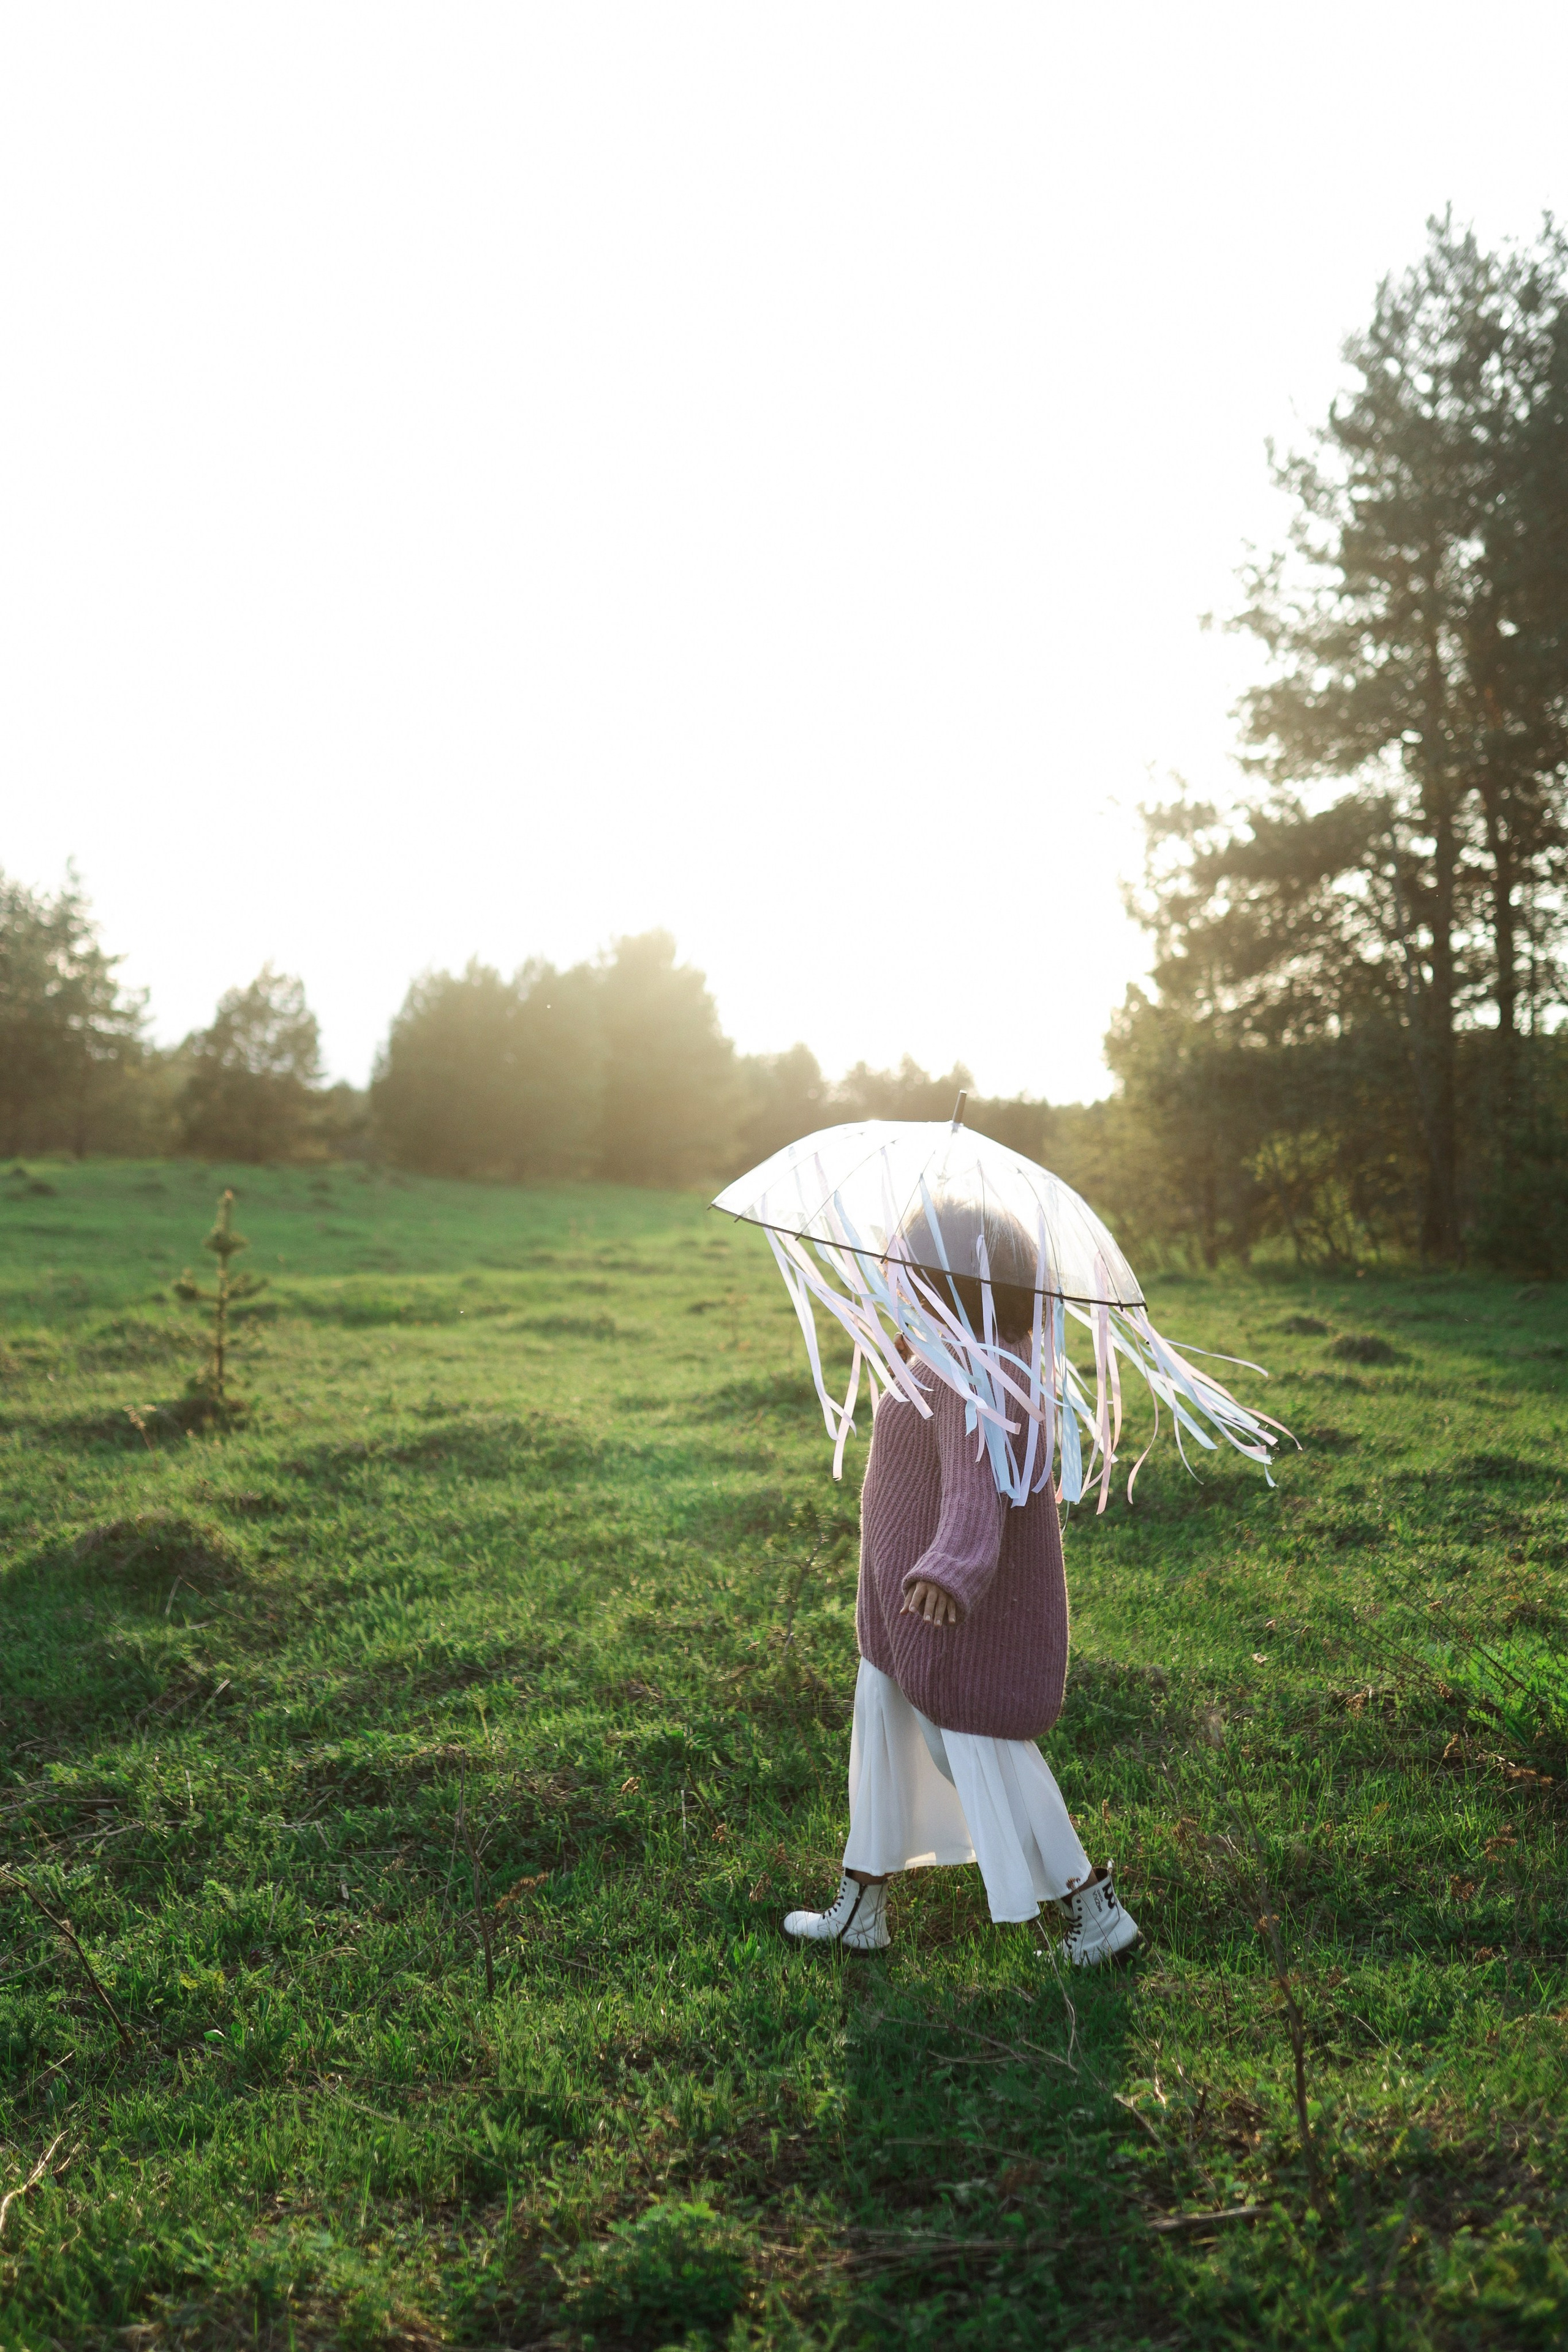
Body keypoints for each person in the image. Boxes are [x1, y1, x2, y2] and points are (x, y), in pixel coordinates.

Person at [782, 1208, 1138, 1966]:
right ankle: (861, 1910)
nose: (893, 1280)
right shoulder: (957, 1356)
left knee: (978, 1753)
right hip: (897, 1612)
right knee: (881, 1743)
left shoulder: (972, 1372)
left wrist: (954, 1568)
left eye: (907, 1269)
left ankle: (1091, 1907)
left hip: (947, 1615)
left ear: (948, 1281)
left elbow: (977, 1486)